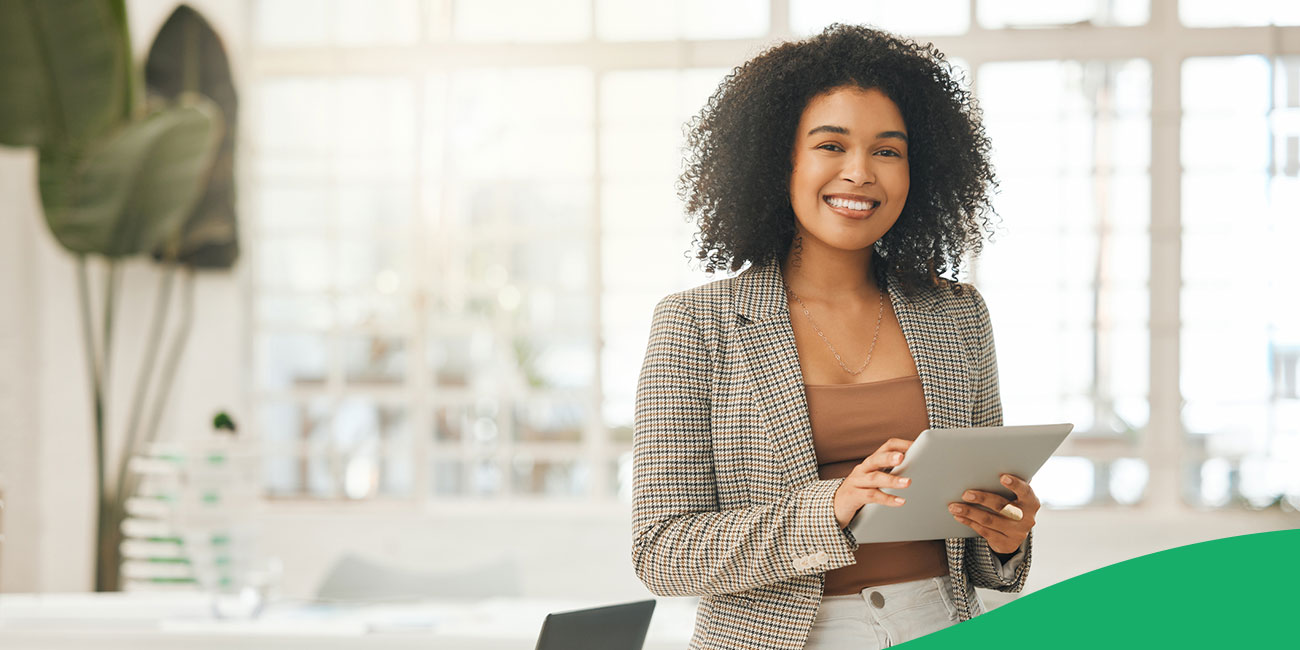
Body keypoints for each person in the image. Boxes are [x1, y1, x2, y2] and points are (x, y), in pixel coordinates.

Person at [631, 24, 1040, 649]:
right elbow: (661, 551)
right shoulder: (696, 325)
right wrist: (832, 507)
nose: (860, 173)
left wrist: (1005, 535)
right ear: (780, 159)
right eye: (830, 145)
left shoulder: (958, 314)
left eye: (888, 150)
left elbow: (980, 554)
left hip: (939, 621)